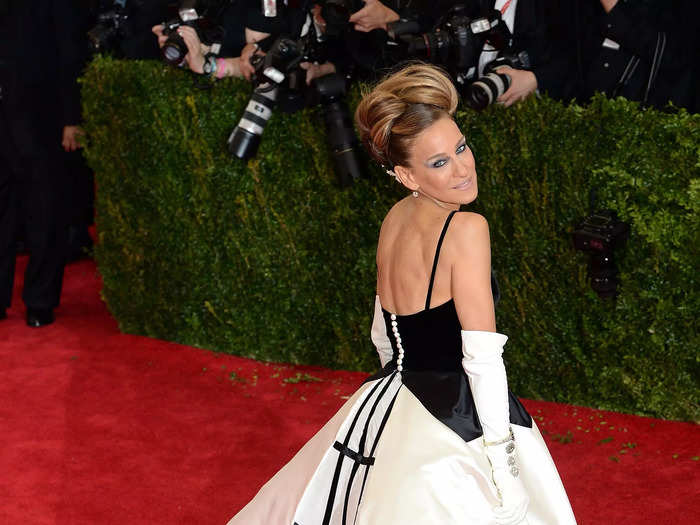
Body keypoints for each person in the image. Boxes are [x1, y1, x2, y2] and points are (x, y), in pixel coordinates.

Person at [225, 63, 576, 525]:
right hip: (457, 416)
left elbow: (383, 330)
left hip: (388, 398)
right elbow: (483, 360)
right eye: (439, 162)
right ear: (407, 176)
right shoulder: (467, 229)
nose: (462, 168)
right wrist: (504, 469)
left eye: (461, 148)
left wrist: (395, 401)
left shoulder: (394, 219)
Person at [0, 0, 85, 326]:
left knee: (44, 210)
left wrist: (71, 118)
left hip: (40, 114)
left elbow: (69, 49)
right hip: (3, 111)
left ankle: (40, 300)